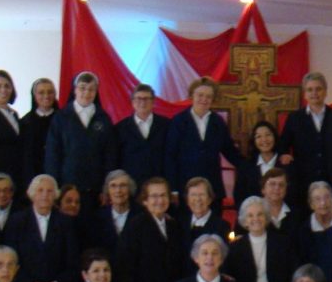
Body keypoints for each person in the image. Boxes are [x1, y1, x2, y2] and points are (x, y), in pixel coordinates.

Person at [165, 76, 245, 208]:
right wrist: (173, 189)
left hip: (212, 188)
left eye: (208, 96)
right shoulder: (178, 121)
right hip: (185, 188)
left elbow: (230, 151)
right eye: (200, 95)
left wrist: (253, 166)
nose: (204, 99)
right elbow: (170, 156)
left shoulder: (218, 122)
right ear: (192, 95)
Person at [45, 71, 116, 213]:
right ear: (75, 90)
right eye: (82, 88)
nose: (86, 93)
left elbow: (110, 156)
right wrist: (54, 187)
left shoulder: (103, 119)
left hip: (95, 190)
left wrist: (106, 187)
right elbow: (53, 154)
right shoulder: (61, 118)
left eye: (91, 89)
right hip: (67, 188)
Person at [279, 72, 332, 215]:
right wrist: (284, 155)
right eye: (310, 89)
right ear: (304, 94)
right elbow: (283, 146)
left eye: (318, 89)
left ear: (325, 91)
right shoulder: (294, 119)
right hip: (303, 183)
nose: (314, 93)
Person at [115, 84, 170, 188]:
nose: (143, 102)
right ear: (132, 102)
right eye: (139, 98)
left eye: (146, 99)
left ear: (153, 102)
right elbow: (116, 159)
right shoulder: (120, 128)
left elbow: (171, 157)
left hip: (159, 185)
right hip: (131, 186)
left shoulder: (166, 125)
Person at [180, 177, 230, 271]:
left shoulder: (222, 226)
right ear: (187, 200)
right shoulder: (180, 224)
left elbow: (224, 260)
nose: (197, 199)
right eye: (193, 195)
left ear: (210, 199)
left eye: (202, 195)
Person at [234, 121, 288, 207]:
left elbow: (295, 197)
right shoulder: (246, 166)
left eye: (268, 135)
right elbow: (239, 197)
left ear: (274, 137)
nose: (264, 140)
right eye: (258, 136)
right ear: (254, 141)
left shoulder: (287, 164)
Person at [89, 170, 141, 255]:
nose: (118, 190)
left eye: (123, 185)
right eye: (113, 186)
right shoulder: (96, 218)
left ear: (130, 189)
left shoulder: (142, 216)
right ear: (107, 190)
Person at [21, 78, 60, 179]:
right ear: (34, 96)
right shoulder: (25, 122)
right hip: (32, 176)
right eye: (41, 93)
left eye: (50, 92)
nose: (46, 96)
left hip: (58, 175)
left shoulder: (63, 120)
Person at [296, 181, 332, 265]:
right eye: (317, 199)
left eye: (327, 197)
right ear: (311, 204)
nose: (323, 203)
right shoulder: (303, 231)